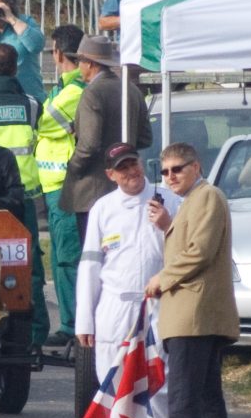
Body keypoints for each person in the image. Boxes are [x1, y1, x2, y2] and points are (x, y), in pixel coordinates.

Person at [145, 140, 235, 418]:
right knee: (205, 400)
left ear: (195, 167)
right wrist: (167, 225)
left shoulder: (207, 196)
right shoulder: (191, 201)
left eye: (177, 169)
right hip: (191, 316)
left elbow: (200, 251)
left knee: (184, 404)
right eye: (165, 171)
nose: (170, 176)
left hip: (194, 316)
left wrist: (163, 278)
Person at [74, 144, 179, 389]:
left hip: (158, 305)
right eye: (122, 168)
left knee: (159, 385)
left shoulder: (171, 203)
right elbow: (90, 266)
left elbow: (186, 254)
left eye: (133, 164)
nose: (131, 171)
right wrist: (84, 321)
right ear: (110, 175)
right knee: (113, 384)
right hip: (115, 308)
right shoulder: (103, 208)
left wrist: (167, 225)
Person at [32, 26, 89, 346]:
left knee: (67, 259)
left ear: (57, 54)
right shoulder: (63, 88)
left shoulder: (75, 91)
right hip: (54, 185)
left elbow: (41, 122)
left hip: (65, 187)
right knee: (60, 258)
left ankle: (71, 326)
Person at [61, 35, 148, 234]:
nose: (77, 66)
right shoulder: (132, 90)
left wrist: (73, 167)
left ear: (90, 64)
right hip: (126, 189)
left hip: (93, 190)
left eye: (79, 61)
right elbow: (145, 138)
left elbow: (89, 144)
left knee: (95, 253)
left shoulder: (92, 93)